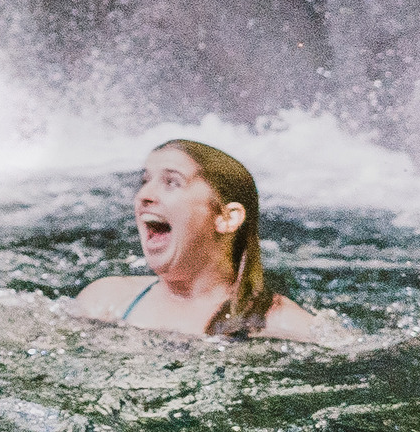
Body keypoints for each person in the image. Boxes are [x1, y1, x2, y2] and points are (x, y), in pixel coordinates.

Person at [69, 137, 349, 343]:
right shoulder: (103, 301)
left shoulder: (277, 323)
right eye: (145, 181)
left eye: (171, 182)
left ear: (227, 218)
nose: (144, 195)